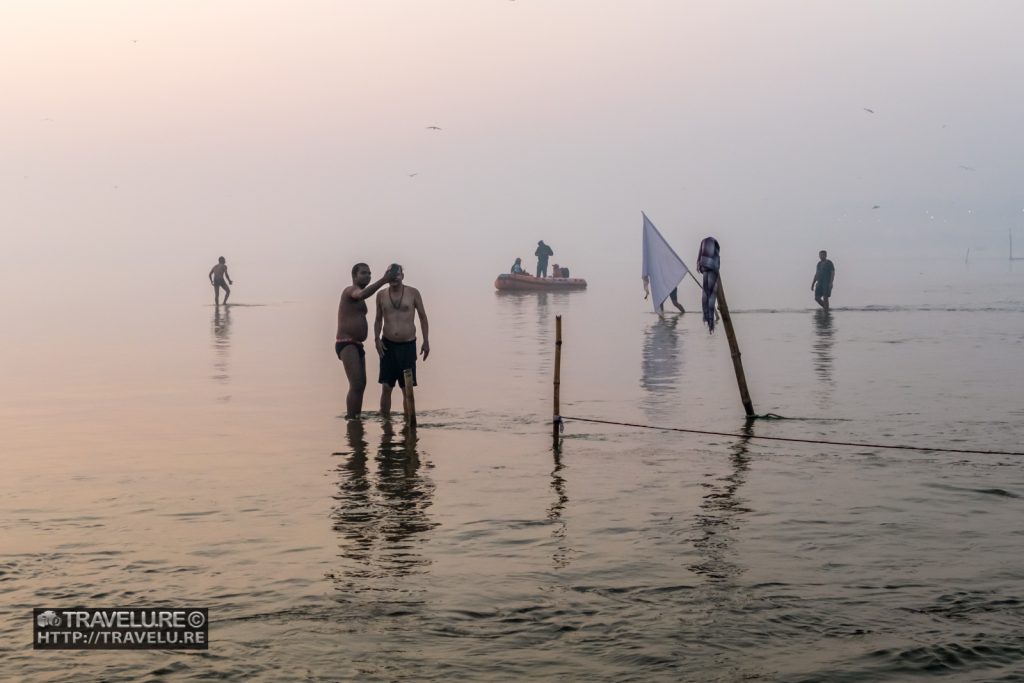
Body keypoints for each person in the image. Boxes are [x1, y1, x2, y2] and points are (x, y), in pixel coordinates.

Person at [337, 263, 397, 419]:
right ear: (354, 276)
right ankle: (351, 419)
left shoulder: (360, 294)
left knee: (361, 385)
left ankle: (356, 419)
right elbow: (361, 294)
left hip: (357, 344)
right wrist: (384, 280)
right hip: (346, 343)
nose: (368, 276)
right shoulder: (350, 290)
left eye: (369, 273)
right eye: (364, 273)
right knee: (356, 385)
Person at [374, 265, 429, 419]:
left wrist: (426, 341)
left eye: (397, 274)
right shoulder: (381, 295)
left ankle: (409, 423)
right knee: (386, 387)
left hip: (408, 346)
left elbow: (423, 317)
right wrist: (376, 338)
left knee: (407, 387)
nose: (394, 277)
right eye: (390, 275)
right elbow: (378, 319)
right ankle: (385, 424)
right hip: (387, 345)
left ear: (402, 275)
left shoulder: (413, 293)